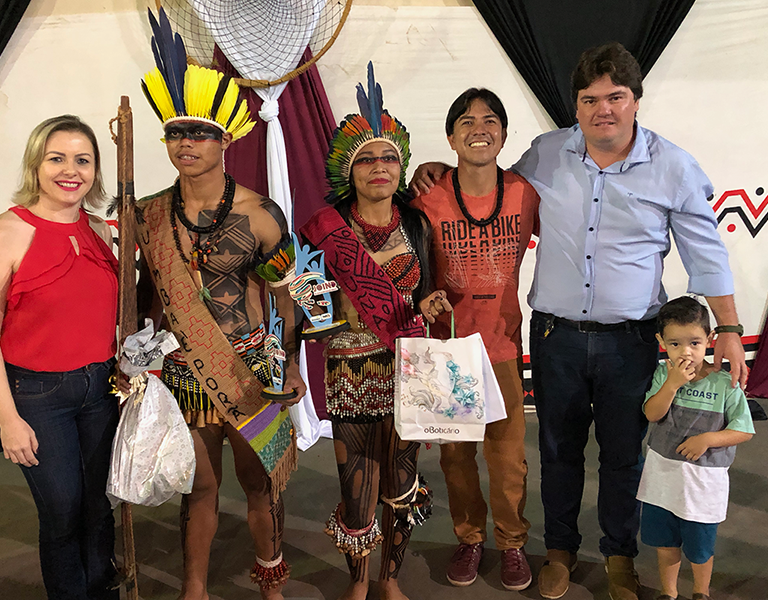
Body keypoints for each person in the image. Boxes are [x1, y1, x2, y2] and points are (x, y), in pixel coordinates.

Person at [410, 42, 747, 600]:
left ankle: (619, 557)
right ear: (576, 105)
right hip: (555, 337)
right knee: (557, 453)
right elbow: (488, 183)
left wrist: (730, 330)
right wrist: (440, 170)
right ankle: (559, 552)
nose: (602, 110)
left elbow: (706, 255)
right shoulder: (545, 154)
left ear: (636, 100)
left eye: (615, 96)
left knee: (622, 456)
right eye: (589, 99)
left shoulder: (674, 168)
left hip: (632, 340)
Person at [135, 10, 305, 600]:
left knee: (262, 488)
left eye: (200, 132)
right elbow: (143, 299)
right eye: (176, 133)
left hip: (254, 372)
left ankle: (272, 582)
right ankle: (195, 587)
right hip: (184, 373)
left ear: (226, 139)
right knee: (198, 488)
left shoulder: (260, 214)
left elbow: (294, 293)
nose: (187, 143)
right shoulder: (148, 216)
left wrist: (290, 364)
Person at [299, 62, 437, 600]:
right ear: (347, 171)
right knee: (357, 485)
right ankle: (358, 582)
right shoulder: (323, 229)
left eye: (388, 157)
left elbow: (431, 298)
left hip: (409, 367)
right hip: (351, 369)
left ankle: (391, 578)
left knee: (401, 482)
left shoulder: (418, 224)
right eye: (366, 159)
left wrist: (431, 305)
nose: (379, 166)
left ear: (400, 166)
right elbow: (314, 311)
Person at [0, 115, 119, 599]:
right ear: (35, 164)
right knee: (61, 511)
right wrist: (7, 418)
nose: (70, 170)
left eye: (83, 160)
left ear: (96, 170)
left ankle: (102, 590)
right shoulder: (1, 235)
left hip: (102, 389)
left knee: (101, 506)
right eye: (56, 158)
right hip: (38, 395)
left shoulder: (102, 230)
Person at [411, 88, 538, 590]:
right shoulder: (426, 195)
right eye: (466, 121)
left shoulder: (527, 193)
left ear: (504, 134)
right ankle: (469, 538)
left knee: (508, 459)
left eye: (490, 120)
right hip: (447, 350)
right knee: (456, 458)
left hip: (503, 346)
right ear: (450, 136)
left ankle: (511, 543)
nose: (478, 128)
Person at [638, 296, 754, 600]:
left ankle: (701, 593)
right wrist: (672, 385)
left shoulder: (724, 383)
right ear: (661, 342)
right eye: (675, 344)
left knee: (700, 549)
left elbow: (743, 430)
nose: (685, 352)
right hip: (661, 481)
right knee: (665, 544)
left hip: (703, 487)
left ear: (710, 339)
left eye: (694, 343)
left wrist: (708, 439)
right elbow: (651, 414)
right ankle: (669, 592)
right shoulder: (664, 375)